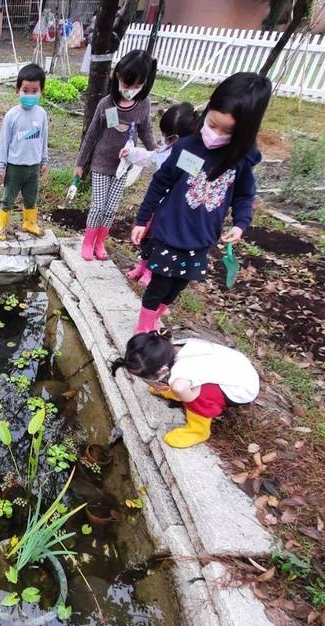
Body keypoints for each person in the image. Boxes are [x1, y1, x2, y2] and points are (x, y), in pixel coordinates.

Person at [130, 72, 272, 334]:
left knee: (177, 286)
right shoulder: (187, 148)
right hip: (169, 232)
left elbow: (244, 196)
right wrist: (142, 220)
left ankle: (156, 318)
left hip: (201, 239)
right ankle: (143, 330)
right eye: (212, 123)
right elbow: (160, 182)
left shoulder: (240, 160)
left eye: (226, 131)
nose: (215, 134)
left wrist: (241, 225)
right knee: (159, 285)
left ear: (243, 132)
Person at [73, 49, 157, 261]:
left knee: (111, 208)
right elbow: (91, 135)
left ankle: (100, 242)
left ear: (145, 83)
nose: (130, 90)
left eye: (137, 86)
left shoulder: (143, 106)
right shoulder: (107, 104)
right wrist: (80, 163)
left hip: (123, 167)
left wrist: (155, 153)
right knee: (98, 205)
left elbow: (146, 131)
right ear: (117, 76)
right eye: (127, 85)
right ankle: (88, 241)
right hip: (101, 163)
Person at [111, 331, 259, 448]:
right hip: (238, 369)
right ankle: (182, 392)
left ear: (162, 369)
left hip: (241, 390)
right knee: (183, 385)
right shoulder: (171, 346)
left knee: (196, 394)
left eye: (147, 376)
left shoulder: (181, 373)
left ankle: (198, 431)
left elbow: (181, 388)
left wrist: (184, 393)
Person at [125, 102, 200, 285]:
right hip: (155, 205)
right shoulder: (166, 150)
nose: (163, 138)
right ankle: (141, 266)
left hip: (171, 211)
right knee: (145, 238)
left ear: (177, 137)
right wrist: (131, 153)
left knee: (158, 242)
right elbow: (151, 157)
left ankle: (151, 271)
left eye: (167, 136)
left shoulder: (191, 158)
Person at [0, 62, 49, 241]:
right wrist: (0, 166)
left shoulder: (41, 114)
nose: (30, 95)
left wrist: (44, 160)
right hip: (14, 167)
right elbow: (3, 143)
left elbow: (43, 139)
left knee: (31, 197)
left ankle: (29, 222)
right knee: (8, 198)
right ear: (17, 90)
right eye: (26, 90)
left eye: (35, 91)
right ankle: (2, 226)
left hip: (33, 167)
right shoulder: (11, 116)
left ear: (41, 91)